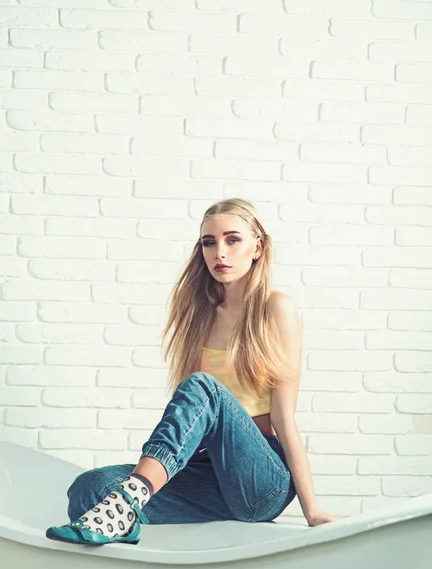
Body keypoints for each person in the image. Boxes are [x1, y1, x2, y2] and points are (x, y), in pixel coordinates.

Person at [46, 198, 342, 546]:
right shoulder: (199, 318)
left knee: (204, 387)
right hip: (211, 478)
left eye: (233, 240)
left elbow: (284, 418)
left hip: (263, 482)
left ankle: (128, 501)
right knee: (89, 488)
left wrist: (312, 510)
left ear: (257, 247)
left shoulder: (276, 308)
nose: (220, 252)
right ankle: (125, 511)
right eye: (209, 242)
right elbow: (191, 422)